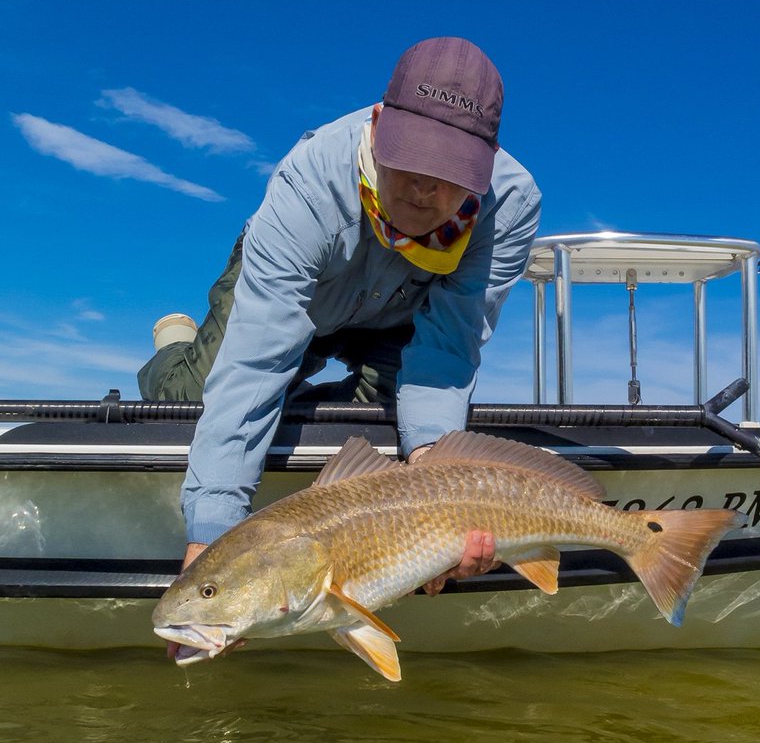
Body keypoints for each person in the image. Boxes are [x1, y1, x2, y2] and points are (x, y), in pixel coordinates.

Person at [139, 36, 542, 594]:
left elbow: (447, 348)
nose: (424, 190)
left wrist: (435, 480)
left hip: (403, 316)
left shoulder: (512, 206)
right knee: (190, 399)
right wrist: (214, 541)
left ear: (488, 164)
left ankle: (290, 412)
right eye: (412, 161)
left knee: (390, 422)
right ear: (377, 125)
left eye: (449, 172)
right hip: (298, 295)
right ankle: (173, 347)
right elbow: (257, 365)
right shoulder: (307, 181)